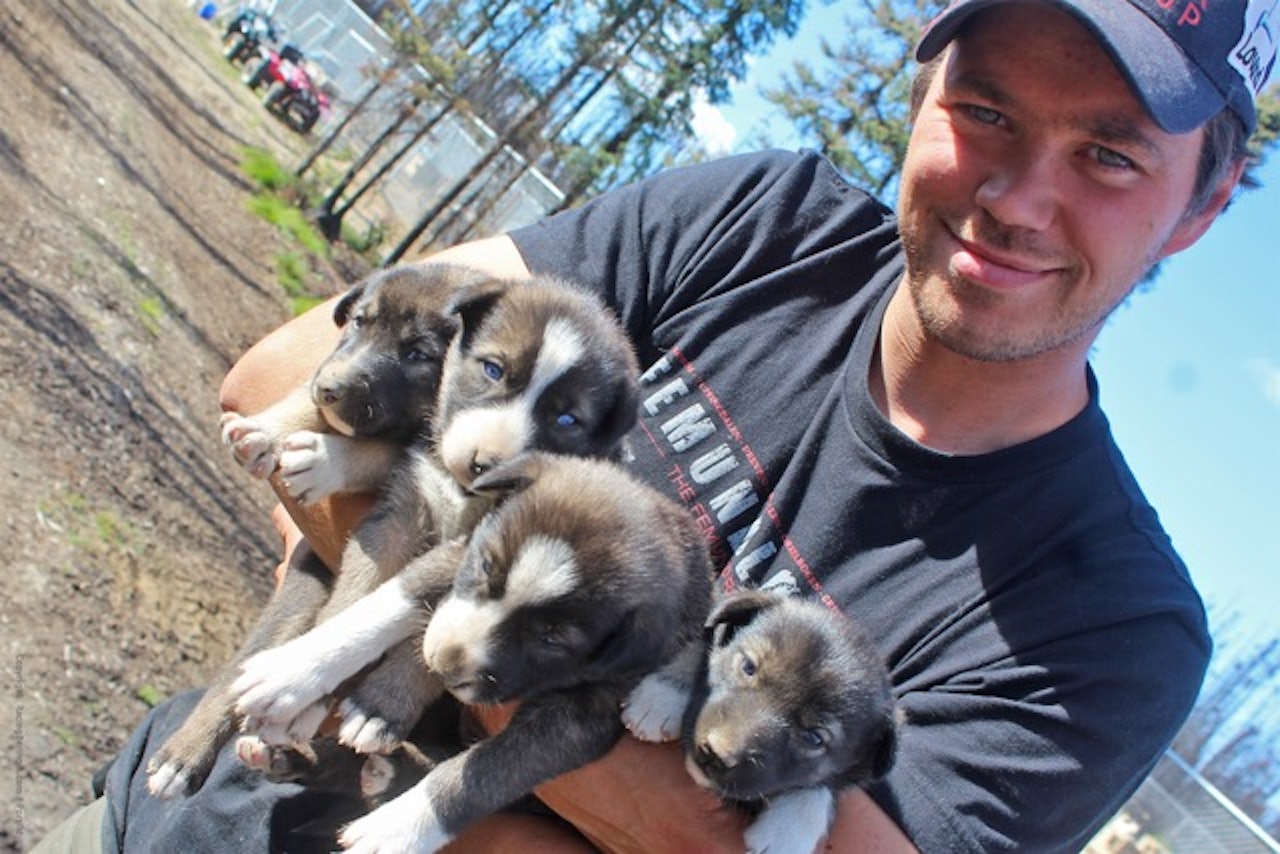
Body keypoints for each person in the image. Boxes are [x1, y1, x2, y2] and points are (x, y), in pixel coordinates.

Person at [37, 0, 1275, 851]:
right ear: (921, 91)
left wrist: (403, 602)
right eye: (986, 112)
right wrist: (586, 771)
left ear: (1201, 204)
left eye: (1107, 156)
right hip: (167, 818)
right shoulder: (754, 225)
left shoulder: (1104, 621)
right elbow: (290, 380)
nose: (1012, 198)